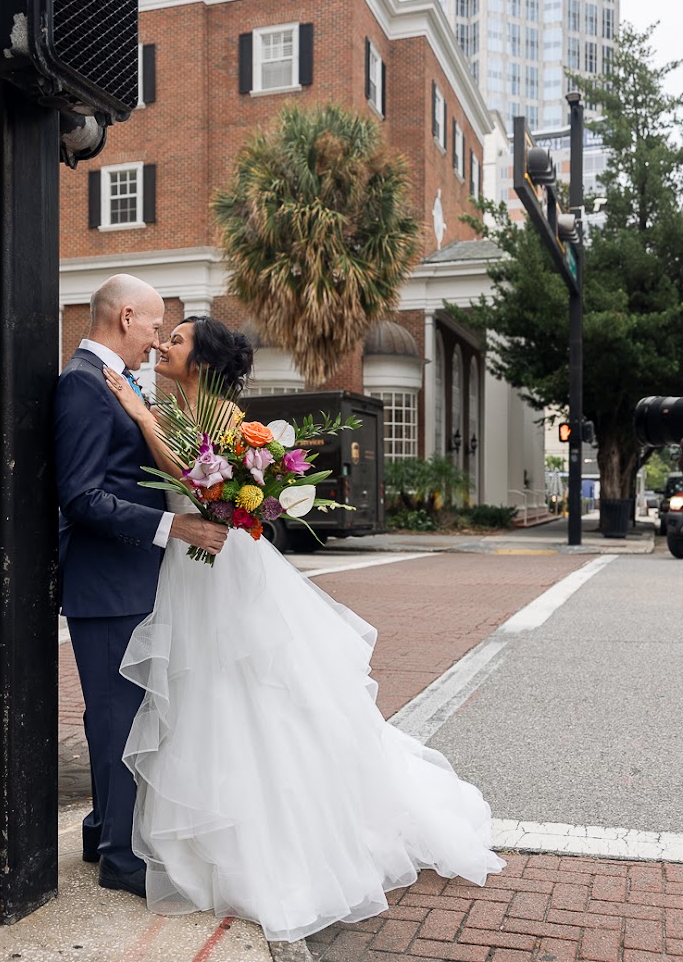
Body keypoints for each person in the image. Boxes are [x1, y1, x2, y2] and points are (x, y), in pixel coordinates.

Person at [103, 316, 505, 941]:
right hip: (191, 565)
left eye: (175, 341)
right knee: (205, 692)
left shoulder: (227, 424)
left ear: (201, 363)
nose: (162, 346)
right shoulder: (184, 410)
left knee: (247, 688)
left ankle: (268, 839)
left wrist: (139, 413)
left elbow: (197, 483)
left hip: (221, 569)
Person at [54, 276, 228, 899]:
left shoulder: (116, 383)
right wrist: (174, 524)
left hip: (132, 578)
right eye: (155, 326)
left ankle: (105, 826)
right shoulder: (81, 384)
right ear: (127, 317)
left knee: (120, 715)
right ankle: (118, 856)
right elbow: (80, 496)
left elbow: (134, 472)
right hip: (105, 584)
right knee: (115, 718)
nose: (157, 341)